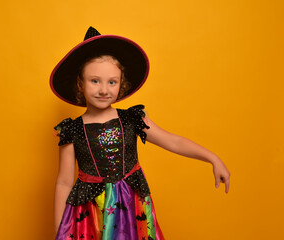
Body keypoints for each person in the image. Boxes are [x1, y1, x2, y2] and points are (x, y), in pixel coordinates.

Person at [50, 26, 230, 240]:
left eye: (112, 82)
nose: (104, 90)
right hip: (91, 214)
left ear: (121, 83)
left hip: (131, 207)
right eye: (95, 81)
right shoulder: (72, 130)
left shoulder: (132, 119)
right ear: (80, 83)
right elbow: (63, 182)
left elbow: (172, 141)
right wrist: (60, 231)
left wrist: (212, 158)